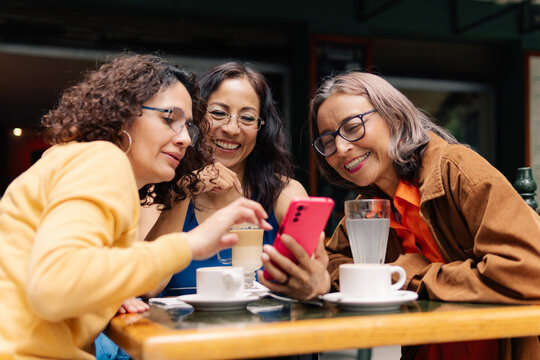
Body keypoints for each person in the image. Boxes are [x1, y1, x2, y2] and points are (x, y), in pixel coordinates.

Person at [0, 54, 271, 360]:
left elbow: (56, 276)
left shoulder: (76, 157)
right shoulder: (102, 160)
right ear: (124, 114)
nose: (184, 139)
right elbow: (53, 285)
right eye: (169, 118)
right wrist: (189, 244)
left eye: (188, 127)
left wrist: (103, 291)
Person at [290, 70, 540, 359]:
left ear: (394, 117)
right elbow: (333, 262)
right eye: (328, 141)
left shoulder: (455, 170)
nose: (342, 148)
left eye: (353, 126)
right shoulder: (370, 204)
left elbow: (529, 271)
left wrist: (415, 273)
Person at [144, 61, 316, 297]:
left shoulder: (286, 193)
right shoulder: (157, 192)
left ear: (260, 129)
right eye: (218, 113)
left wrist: (314, 283)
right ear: (194, 118)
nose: (232, 129)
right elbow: (145, 287)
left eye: (247, 118)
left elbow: (316, 278)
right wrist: (184, 190)